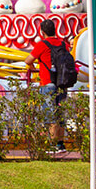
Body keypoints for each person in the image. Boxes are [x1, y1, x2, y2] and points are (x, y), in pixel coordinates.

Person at [23, 18, 69, 152]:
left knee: (51, 116)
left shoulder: (42, 45)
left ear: (42, 32)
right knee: (60, 115)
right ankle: (61, 144)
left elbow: (28, 60)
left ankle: (53, 145)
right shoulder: (63, 44)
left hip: (47, 83)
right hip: (62, 82)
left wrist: (33, 67)